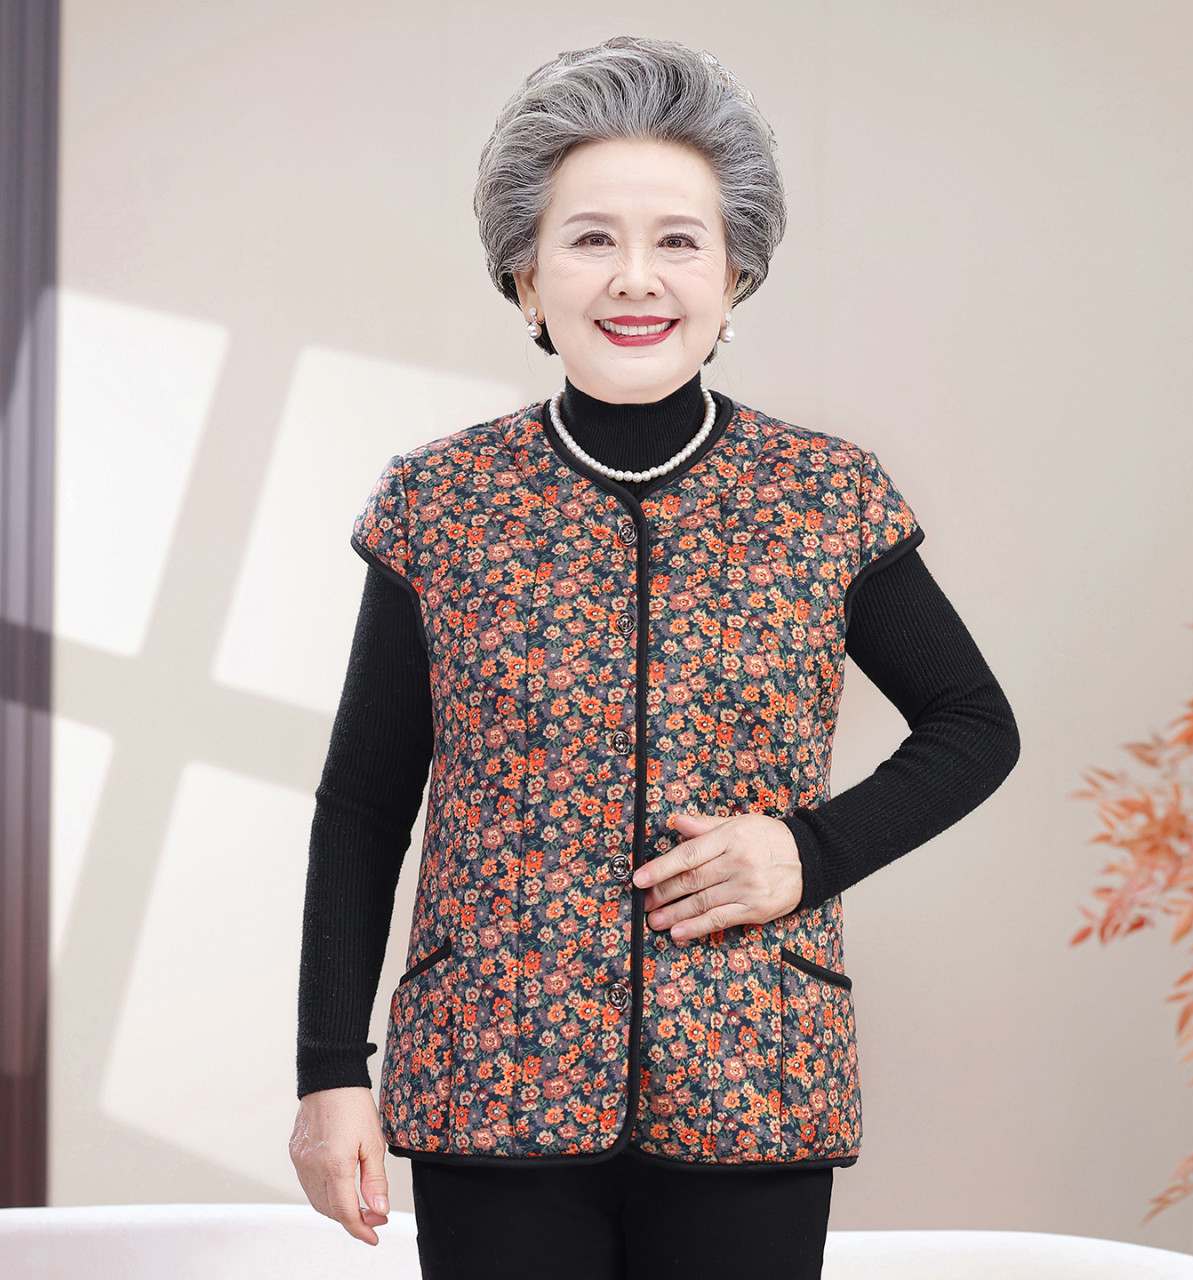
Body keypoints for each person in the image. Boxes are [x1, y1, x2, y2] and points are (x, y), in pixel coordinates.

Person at [289, 35, 1019, 1280]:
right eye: (590, 238)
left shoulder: (824, 495)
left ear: (735, 275)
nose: (636, 277)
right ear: (526, 276)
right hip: (489, 1076)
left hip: (753, 1069)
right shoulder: (439, 504)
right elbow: (364, 801)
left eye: (678, 240)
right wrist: (327, 1073)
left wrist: (806, 850)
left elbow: (973, 723)